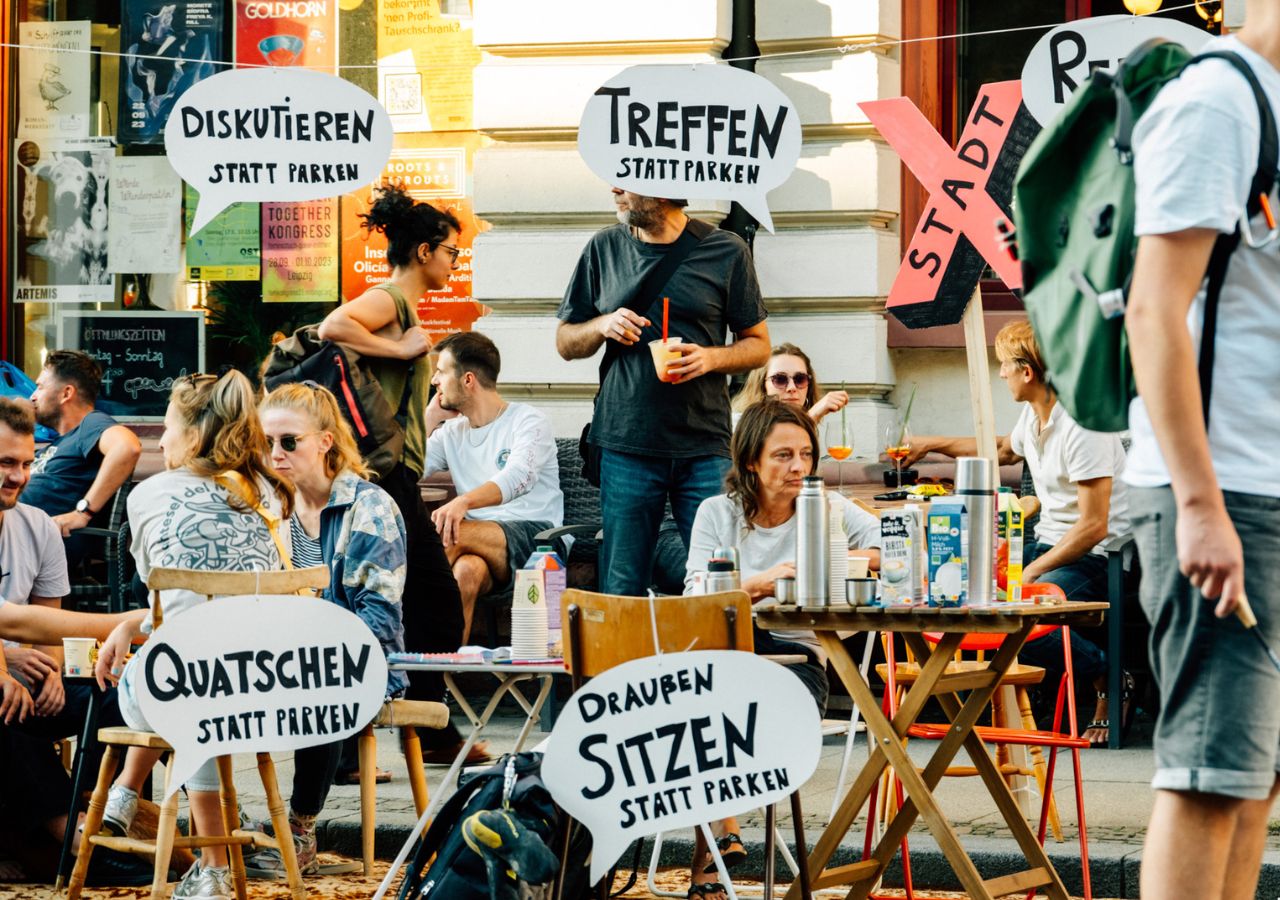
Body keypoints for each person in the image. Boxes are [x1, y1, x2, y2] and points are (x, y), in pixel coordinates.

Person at [1125, 11, 1280, 898]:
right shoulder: (1219, 100)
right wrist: (1198, 503)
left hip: (1263, 493)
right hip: (1224, 495)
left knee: (1252, 782)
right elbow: (1154, 309)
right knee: (1207, 777)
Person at [94, 370, 294, 900]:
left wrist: (127, 625)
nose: (162, 441)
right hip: (268, 686)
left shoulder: (148, 494)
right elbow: (189, 603)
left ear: (194, 435)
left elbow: (162, 593)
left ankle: (185, 843)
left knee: (188, 687)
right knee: (199, 679)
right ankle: (191, 849)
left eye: (168, 428)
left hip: (189, 687)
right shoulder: (272, 493)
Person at [683, 399, 880, 898]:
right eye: (783, 455)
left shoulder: (827, 509)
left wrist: (832, 559)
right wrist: (761, 583)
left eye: (806, 455)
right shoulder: (717, 513)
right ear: (751, 460)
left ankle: (712, 853)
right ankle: (722, 836)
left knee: (710, 705)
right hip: (728, 654)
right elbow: (692, 597)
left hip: (796, 662)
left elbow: (889, 544)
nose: (798, 468)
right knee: (706, 696)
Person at [905, 320, 1130, 745]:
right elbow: (1003, 449)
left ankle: (1107, 676)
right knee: (967, 587)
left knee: (1019, 608)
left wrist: (1029, 573)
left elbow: (1095, 525)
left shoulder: (1085, 427)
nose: (1002, 373)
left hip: (1099, 556)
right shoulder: (1034, 413)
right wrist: (931, 444)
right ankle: (985, 704)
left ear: (1028, 372)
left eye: (1005, 365)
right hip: (1048, 542)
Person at [317, 182, 480, 763]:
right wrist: (405, 350)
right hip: (379, 478)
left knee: (395, 601)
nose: (454, 263)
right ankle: (423, 732)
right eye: (451, 252)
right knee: (431, 597)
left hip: (393, 475)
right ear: (424, 252)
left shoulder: (404, 308)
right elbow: (333, 326)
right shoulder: (391, 300)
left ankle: (410, 733)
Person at [556, 189, 770, 596]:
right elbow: (566, 342)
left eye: (628, 178)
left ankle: (719, 661)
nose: (615, 189)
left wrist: (709, 358)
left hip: (704, 443)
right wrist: (601, 325)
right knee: (623, 584)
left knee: (720, 581)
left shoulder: (726, 250)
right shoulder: (604, 247)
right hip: (625, 443)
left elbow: (758, 345)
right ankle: (624, 662)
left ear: (667, 187)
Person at [249, 382, 411, 875]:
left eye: (289, 441)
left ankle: (300, 825)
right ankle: (223, 822)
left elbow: (378, 616)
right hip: (279, 658)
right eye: (266, 442)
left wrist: (310, 648)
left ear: (325, 441)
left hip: (360, 661)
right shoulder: (266, 507)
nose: (275, 454)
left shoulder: (369, 506)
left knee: (322, 681)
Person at [0, 395, 130, 870]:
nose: (17, 476)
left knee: (117, 697)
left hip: (31, 681)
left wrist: (51, 667)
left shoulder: (39, 528)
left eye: (25, 462)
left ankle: (102, 818)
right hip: (4, 686)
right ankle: (71, 838)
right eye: (5, 462)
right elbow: (14, 625)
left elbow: (45, 628)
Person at [422, 331, 563, 645]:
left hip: (538, 539)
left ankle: (408, 649)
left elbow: (518, 478)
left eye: (441, 372)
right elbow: (410, 468)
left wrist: (464, 503)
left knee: (445, 537)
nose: (434, 380)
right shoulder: (451, 433)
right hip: (482, 543)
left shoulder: (527, 421)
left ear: (468, 380)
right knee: (466, 573)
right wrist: (429, 420)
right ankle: (441, 682)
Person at [25, 350, 142, 566]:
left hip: (41, 544)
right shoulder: (57, 444)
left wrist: (83, 512)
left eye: (40, 387)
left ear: (66, 393)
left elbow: (127, 447)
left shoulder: (90, 424)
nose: (33, 395)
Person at [731, 342, 849, 424]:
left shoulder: (800, 422)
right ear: (762, 385)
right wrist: (813, 415)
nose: (792, 388)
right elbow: (774, 448)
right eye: (780, 379)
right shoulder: (740, 423)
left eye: (800, 379)